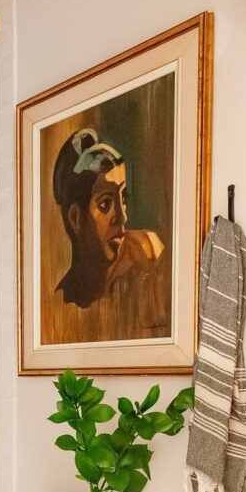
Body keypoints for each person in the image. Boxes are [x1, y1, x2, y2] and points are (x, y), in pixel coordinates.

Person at [49, 127, 168, 338]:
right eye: (106, 204)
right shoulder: (61, 305)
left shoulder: (143, 263)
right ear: (76, 218)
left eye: (123, 199)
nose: (122, 218)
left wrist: (157, 272)